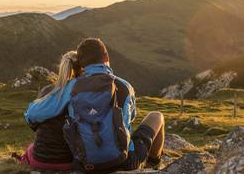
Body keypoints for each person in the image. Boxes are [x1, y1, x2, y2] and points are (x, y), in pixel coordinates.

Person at [25, 38, 165, 172]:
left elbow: (33, 114)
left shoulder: (71, 87)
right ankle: (154, 164)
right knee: (156, 116)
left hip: (84, 165)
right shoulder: (124, 86)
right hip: (125, 162)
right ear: (106, 56)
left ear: (81, 63)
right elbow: (131, 118)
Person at [15, 51, 80, 171]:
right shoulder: (83, 93)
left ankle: (24, 161)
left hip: (41, 160)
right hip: (70, 161)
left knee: (30, 148)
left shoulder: (47, 91)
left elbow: (33, 123)